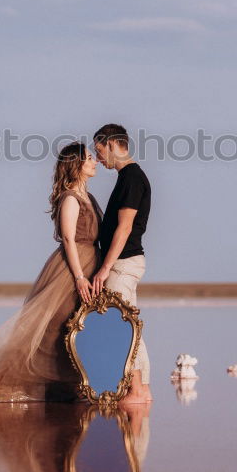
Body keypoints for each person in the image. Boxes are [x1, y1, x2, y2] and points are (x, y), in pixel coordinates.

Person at [0, 142, 103, 402]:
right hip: (74, 266)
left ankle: (74, 383)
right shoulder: (70, 197)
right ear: (76, 164)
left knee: (77, 323)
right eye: (88, 158)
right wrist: (78, 277)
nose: (94, 161)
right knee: (58, 322)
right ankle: (42, 383)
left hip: (90, 261)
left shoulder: (88, 195)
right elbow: (68, 238)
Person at [92, 123, 153, 404]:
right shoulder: (127, 177)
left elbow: (124, 227)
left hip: (123, 262)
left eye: (100, 150)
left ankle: (137, 390)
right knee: (129, 325)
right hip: (125, 262)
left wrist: (105, 268)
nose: (99, 158)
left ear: (114, 144)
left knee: (126, 326)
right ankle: (140, 389)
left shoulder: (131, 177)